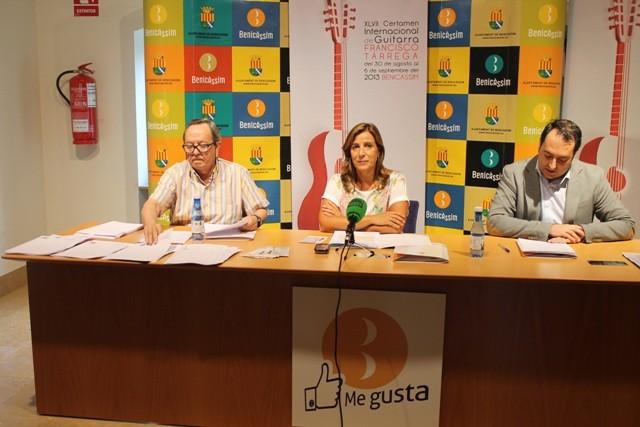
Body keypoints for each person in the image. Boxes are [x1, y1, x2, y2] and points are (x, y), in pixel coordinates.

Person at [488, 118, 635, 243]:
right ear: (539, 147)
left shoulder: (593, 177)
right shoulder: (514, 173)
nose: (552, 165)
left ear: (573, 156)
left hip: (575, 258)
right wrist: (549, 230)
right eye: (547, 156)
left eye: (562, 160)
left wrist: (580, 232)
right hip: (525, 258)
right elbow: (495, 222)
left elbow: (626, 225)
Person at [141, 118, 269, 244]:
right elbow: (152, 205)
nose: (195, 152)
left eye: (203, 146)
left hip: (227, 242)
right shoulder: (175, 174)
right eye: (189, 146)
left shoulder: (238, 173)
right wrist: (150, 223)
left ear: (217, 147)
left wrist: (255, 219)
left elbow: (261, 210)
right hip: (186, 245)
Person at [319, 122, 409, 233]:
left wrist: (342, 222)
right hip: (346, 244)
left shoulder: (396, 180)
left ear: (378, 151)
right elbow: (325, 224)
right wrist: (373, 219)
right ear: (349, 153)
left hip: (384, 245)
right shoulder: (337, 181)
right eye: (355, 147)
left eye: (368, 146)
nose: (361, 153)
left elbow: (395, 227)